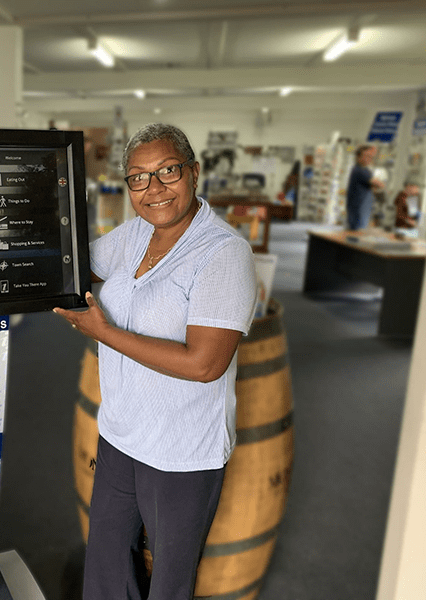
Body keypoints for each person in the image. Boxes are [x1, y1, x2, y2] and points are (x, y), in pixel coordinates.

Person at [55, 123, 257, 600]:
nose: (155, 189)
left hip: (182, 451)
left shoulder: (224, 253)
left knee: (169, 581)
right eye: (139, 178)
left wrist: (105, 333)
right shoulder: (133, 234)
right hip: (121, 435)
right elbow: (77, 269)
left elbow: (205, 364)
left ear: (194, 172)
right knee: (105, 567)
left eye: (168, 171)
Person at [346, 144, 384, 230]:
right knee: (355, 235)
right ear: (358, 157)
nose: (369, 159)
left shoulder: (366, 170)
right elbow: (379, 184)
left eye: (371, 157)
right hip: (357, 212)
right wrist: (378, 184)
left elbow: (375, 187)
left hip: (364, 210)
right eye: (367, 156)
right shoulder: (359, 170)